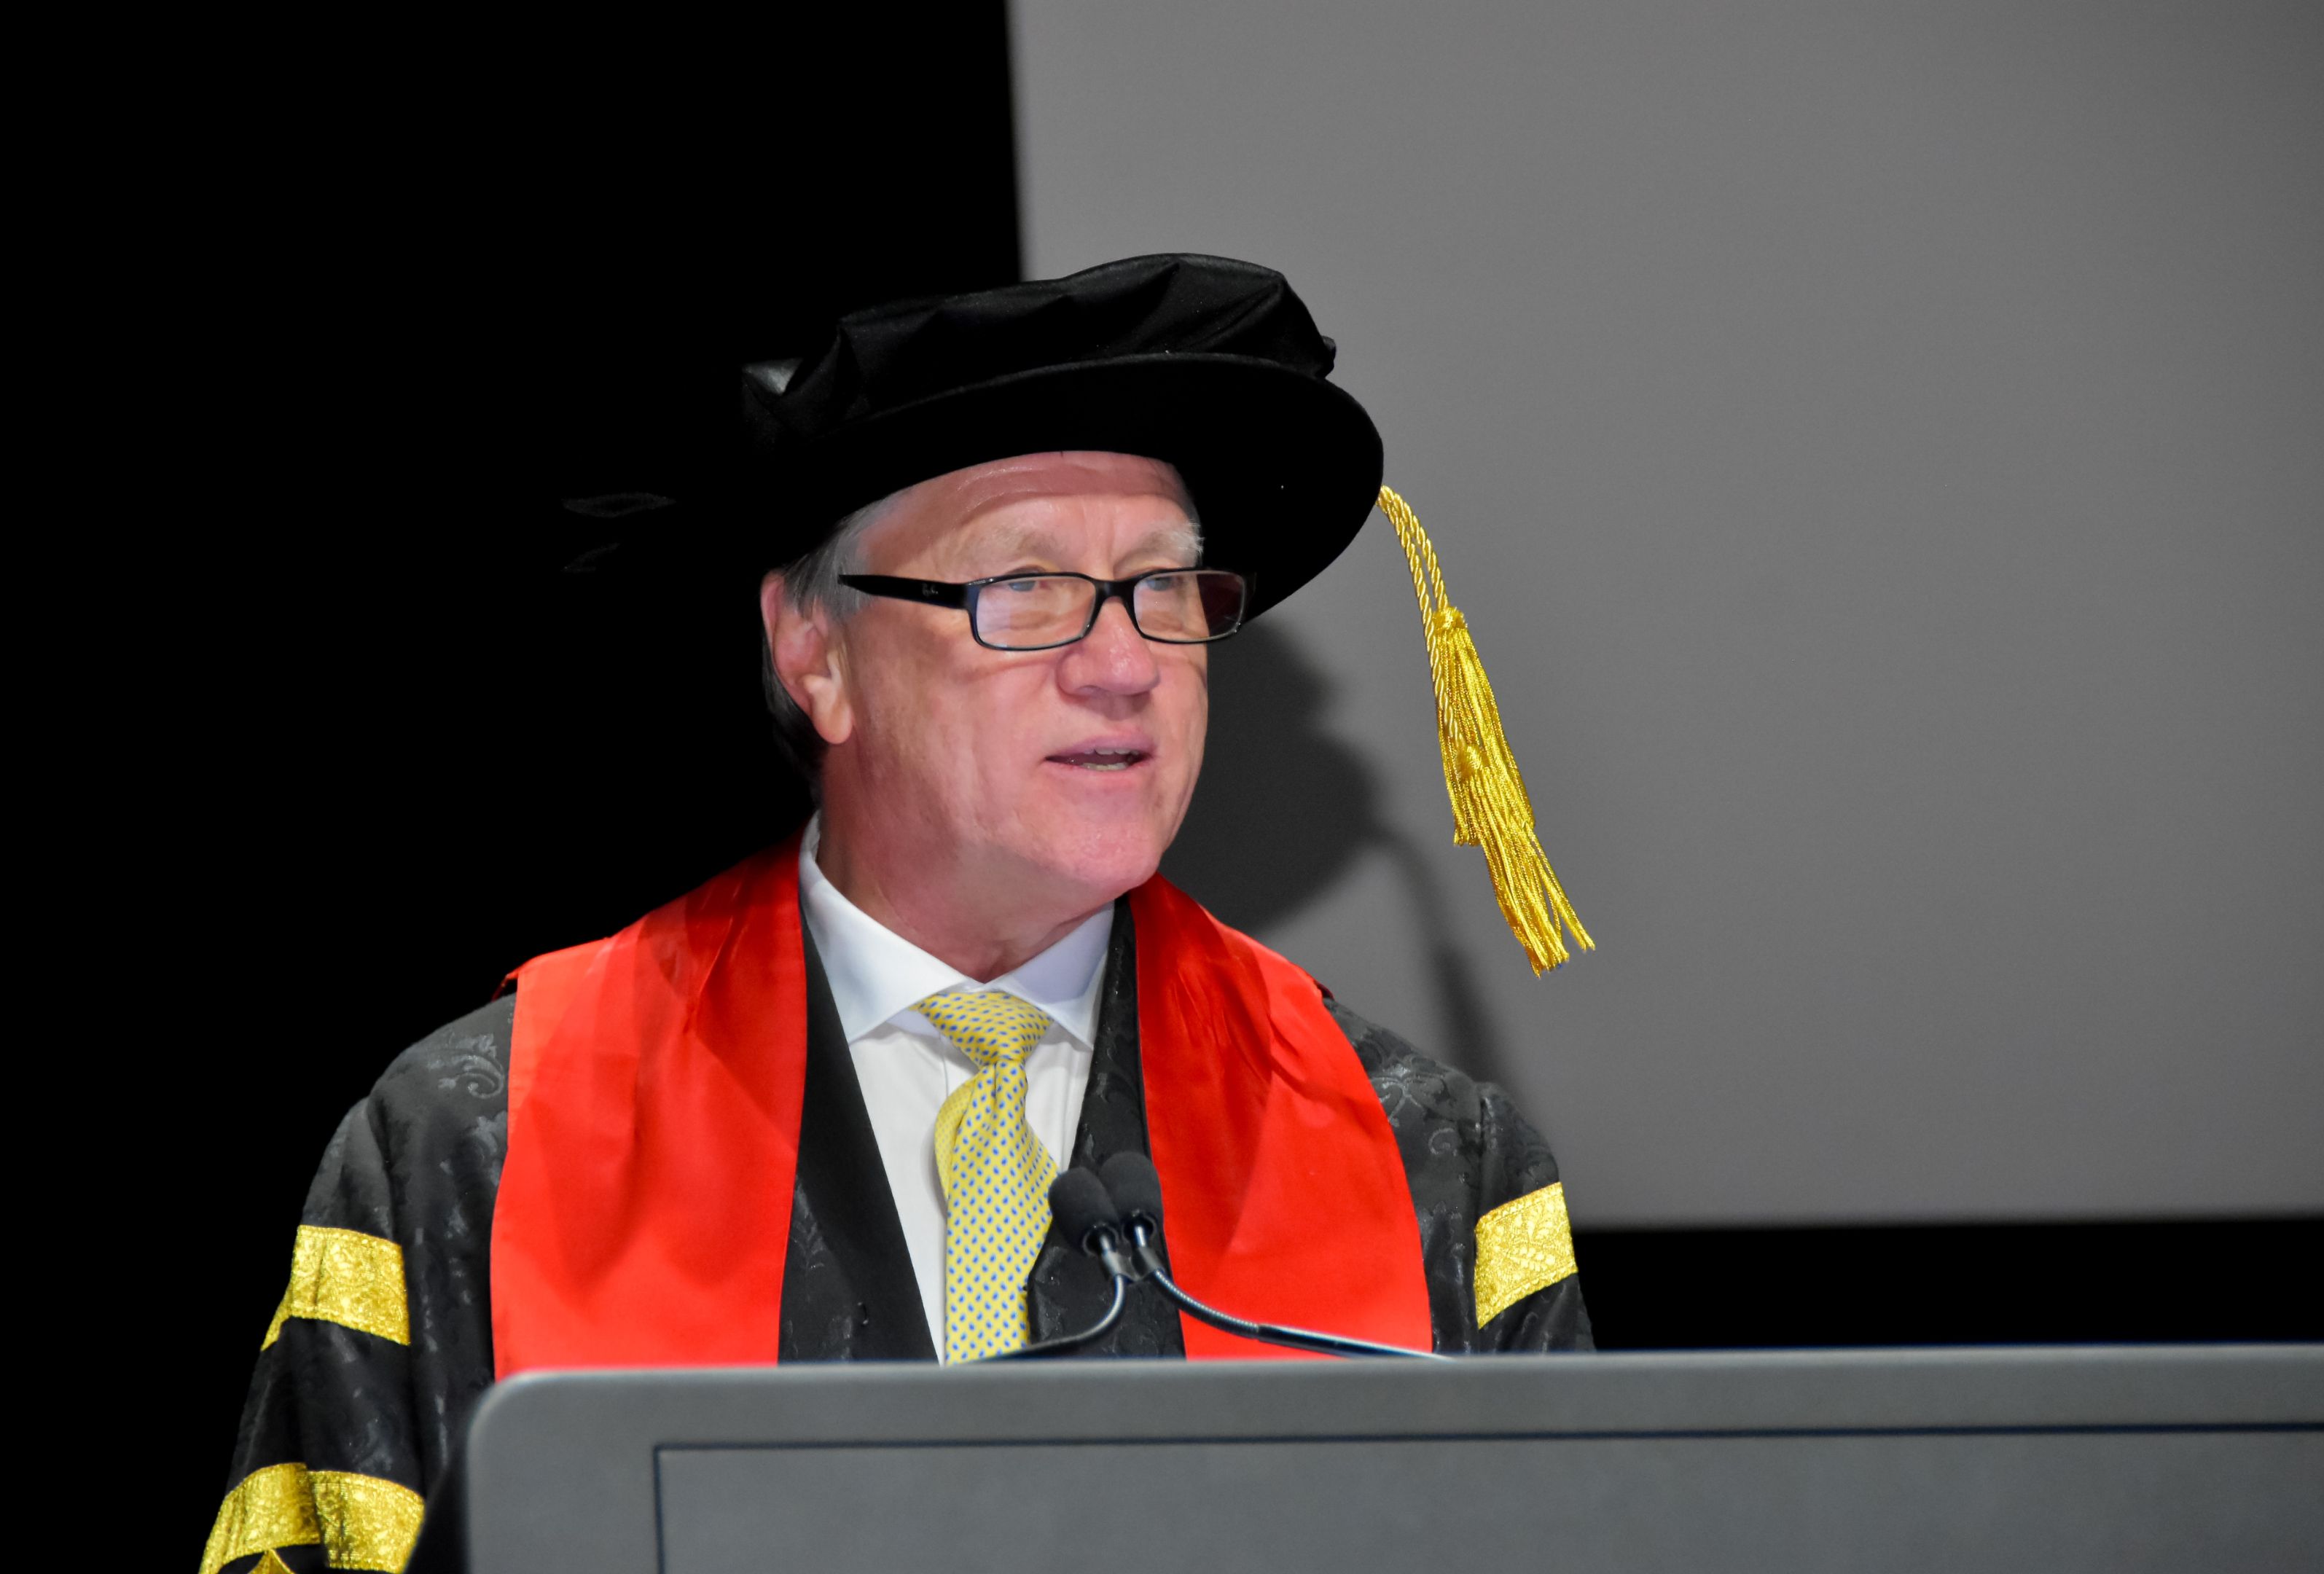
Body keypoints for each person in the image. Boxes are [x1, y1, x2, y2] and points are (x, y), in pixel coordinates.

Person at [200, 254, 1596, 1574]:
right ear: (814, 653)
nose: (1125, 664)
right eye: (1027, 588)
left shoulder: (1428, 1164)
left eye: (1164, 586)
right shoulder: (479, 1143)